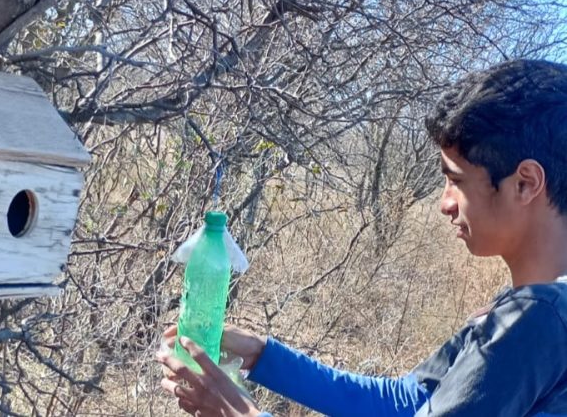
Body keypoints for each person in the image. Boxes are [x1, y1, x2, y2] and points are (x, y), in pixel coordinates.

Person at [156, 59, 567, 416]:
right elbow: (408, 402)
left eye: (455, 180)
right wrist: (261, 355)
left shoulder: (537, 317)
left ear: (525, 183)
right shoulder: (532, 311)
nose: (445, 203)